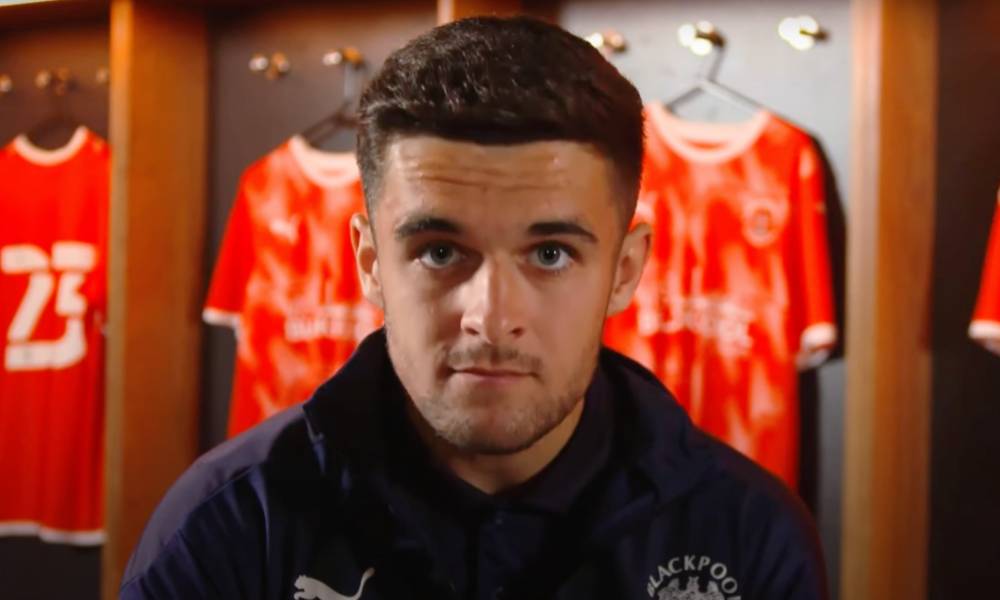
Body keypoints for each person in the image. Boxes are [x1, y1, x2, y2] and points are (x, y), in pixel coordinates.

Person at [120, 16, 827, 600]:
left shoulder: (749, 538)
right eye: (439, 252)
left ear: (625, 271)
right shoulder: (227, 527)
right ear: (370, 262)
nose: (489, 317)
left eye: (550, 254)